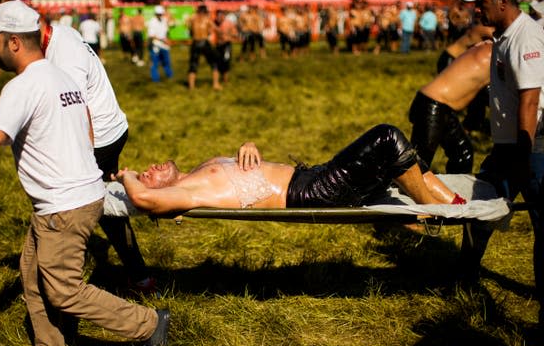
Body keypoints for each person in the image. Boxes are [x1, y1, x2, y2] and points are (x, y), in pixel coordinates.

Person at [0, 0, 169, 346]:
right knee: (33, 275)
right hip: (70, 198)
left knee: (64, 291)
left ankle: (150, 323)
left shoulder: (24, 86)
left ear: (14, 42)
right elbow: (87, 116)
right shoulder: (60, 76)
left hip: (64, 206)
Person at [37, 5, 156, 293]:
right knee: (104, 206)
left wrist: (80, 160)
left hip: (99, 138)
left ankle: (68, 282)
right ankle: (138, 275)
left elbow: (79, 113)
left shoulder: (64, 58)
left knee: (88, 204)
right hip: (113, 129)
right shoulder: (61, 33)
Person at [459, 0, 544, 346]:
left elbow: (530, 100)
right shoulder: (504, 37)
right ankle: (465, 276)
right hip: (508, 148)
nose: (477, 7)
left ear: (503, 2)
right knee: (479, 207)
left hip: (531, 149)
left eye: (482, 1)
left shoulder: (527, 37)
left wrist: (523, 160)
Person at [116, 124, 466, 216]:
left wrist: (248, 145)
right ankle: (430, 209)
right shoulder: (186, 194)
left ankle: (451, 201)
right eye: (149, 173)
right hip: (309, 193)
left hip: (313, 176)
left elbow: (248, 166)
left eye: (146, 169)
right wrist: (126, 176)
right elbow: (143, 198)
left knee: (392, 151)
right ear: (163, 190)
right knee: (386, 138)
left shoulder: (198, 172)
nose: (151, 168)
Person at [409, 41, 492, 173]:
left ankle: (453, 192)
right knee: (416, 168)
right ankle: (389, 191)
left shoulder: (488, 47)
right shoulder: (492, 51)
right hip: (432, 106)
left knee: (463, 153)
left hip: (441, 107)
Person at [186, 4, 220, 90]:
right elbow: (215, 29)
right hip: (204, 42)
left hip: (195, 42)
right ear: (205, 12)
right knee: (214, 63)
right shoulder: (207, 19)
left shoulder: (192, 18)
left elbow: (189, 29)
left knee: (193, 65)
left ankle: (191, 86)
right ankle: (215, 84)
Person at [147, 5, 173, 82]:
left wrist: (167, 40)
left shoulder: (164, 20)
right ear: (155, 14)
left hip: (164, 45)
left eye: (161, 13)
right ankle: (155, 79)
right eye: (159, 14)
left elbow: (166, 31)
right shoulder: (152, 22)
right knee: (154, 63)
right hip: (156, 45)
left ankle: (170, 76)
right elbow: (152, 35)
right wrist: (163, 40)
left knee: (167, 62)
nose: (160, 15)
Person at [214, 9, 237, 85]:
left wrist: (227, 35)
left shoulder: (228, 23)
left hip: (226, 45)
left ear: (223, 16)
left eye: (221, 16)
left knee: (226, 61)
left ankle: (225, 79)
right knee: (217, 62)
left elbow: (235, 34)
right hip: (217, 45)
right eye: (218, 16)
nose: (219, 18)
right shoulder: (213, 23)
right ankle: (218, 79)